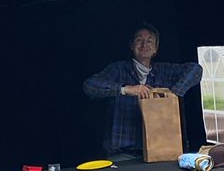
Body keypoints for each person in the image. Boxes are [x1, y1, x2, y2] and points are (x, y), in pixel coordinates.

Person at [83, 23, 202, 156]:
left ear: (156, 48)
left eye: (149, 41)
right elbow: (90, 86)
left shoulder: (164, 70)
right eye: (139, 40)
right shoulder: (118, 69)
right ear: (132, 46)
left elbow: (195, 70)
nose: (144, 45)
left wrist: (174, 93)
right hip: (123, 153)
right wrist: (125, 89)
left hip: (160, 149)